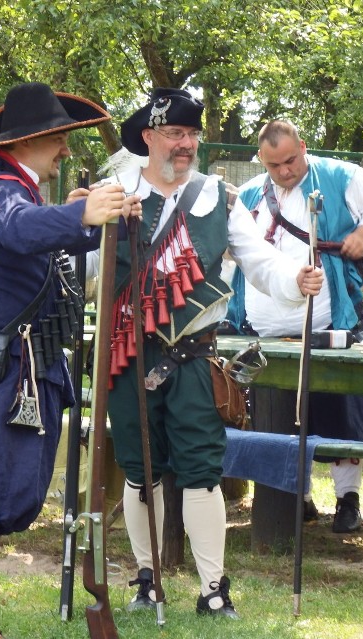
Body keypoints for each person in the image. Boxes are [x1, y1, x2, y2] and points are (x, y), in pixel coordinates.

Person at [98, 89, 323, 618]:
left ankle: (213, 589)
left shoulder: (218, 198)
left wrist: (295, 277)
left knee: (201, 469)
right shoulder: (114, 194)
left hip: (195, 358)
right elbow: (87, 274)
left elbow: (260, 261)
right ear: (149, 138)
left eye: (192, 135)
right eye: (175, 134)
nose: (186, 145)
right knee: (138, 469)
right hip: (129, 355)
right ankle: (146, 580)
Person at [0, 82, 140, 639]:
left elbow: (31, 246)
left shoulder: (13, 188)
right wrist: (81, 218)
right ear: (36, 138)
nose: (67, 152)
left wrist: (85, 219)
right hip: (0, 374)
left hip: (12, 369)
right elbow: (20, 231)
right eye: (61, 140)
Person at [225, 120, 363, 533]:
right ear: (262, 160)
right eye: (274, 165)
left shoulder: (340, 176)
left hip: (332, 319)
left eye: (291, 160)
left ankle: (348, 500)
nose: (285, 171)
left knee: (340, 412)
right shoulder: (253, 193)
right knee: (278, 417)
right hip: (266, 328)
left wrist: (362, 235)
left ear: (303, 147)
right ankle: (297, 498)